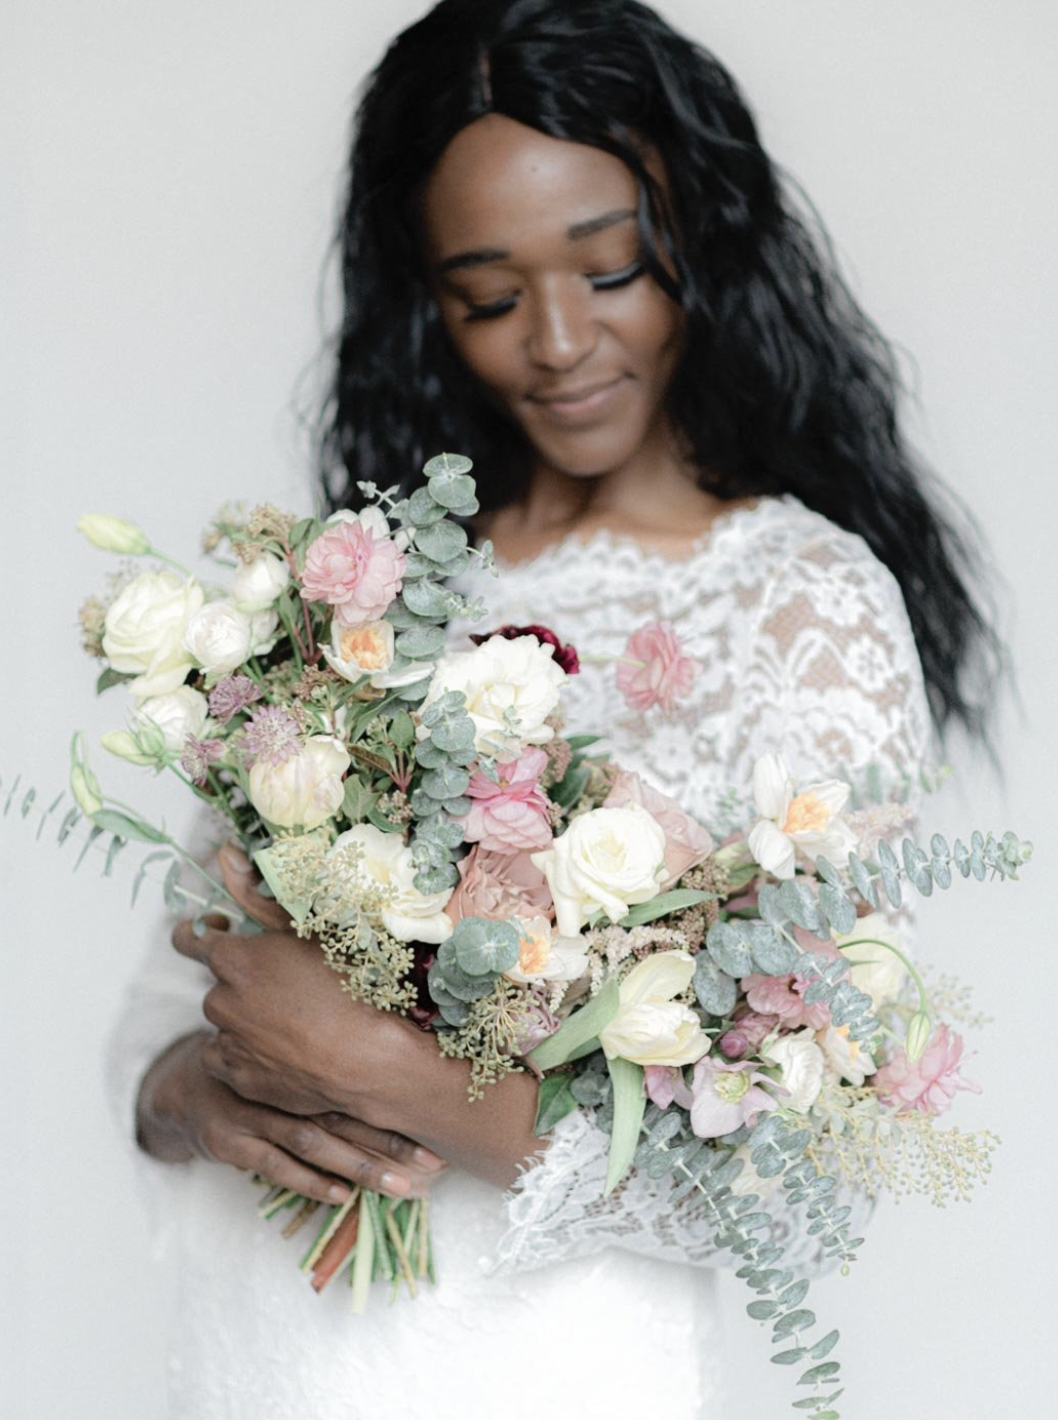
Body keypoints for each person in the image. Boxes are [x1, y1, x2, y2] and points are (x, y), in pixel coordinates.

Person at [107, 2, 999, 1415]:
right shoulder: (364, 587)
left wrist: (390, 1074)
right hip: (262, 1350)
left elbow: (785, 1177)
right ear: (424, 297)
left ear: (699, 234)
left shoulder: (798, 602)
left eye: (609, 264)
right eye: (487, 293)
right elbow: (158, 1017)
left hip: (544, 1369)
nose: (560, 342)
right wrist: (194, 1094)